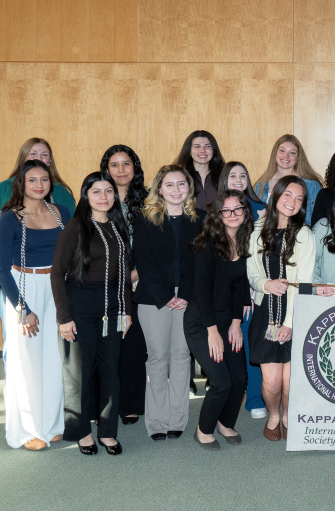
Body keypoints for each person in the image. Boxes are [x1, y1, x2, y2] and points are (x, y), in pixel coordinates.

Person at [51, 172, 132, 456]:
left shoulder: (118, 227)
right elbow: (57, 273)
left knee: (111, 372)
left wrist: (126, 311)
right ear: (86, 195)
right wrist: (64, 317)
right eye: (96, 191)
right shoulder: (76, 227)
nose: (104, 197)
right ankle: (82, 430)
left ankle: (108, 431)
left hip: (112, 310)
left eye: (109, 191)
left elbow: (123, 276)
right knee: (79, 375)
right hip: (79, 308)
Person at [0, 159, 70, 450]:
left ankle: (51, 424)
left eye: (44, 180)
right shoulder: (10, 218)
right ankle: (25, 431)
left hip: (55, 287)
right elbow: (2, 270)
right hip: (22, 286)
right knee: (24, 361)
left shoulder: (60, 212)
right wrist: (22, 310)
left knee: (53, 357)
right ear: (21, 184)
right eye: (32, 180)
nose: (39, 185)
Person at [133, 165, 204, 441]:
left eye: (181, 184)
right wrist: (166, 296)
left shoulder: (200, 218)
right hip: (154, 297)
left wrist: (185, 293)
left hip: (188, 295)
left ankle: (177, 419)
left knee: (181, 356)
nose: (176, 189)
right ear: (159, 189)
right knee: (158, 357)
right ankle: (156, 421)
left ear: (189, 188)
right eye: (169, 184)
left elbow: (200, 259)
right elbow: (144, 263)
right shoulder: (145, 218)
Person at [247, 175, 316, 440]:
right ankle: (273, 414)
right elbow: (251, 269)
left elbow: (304, 282)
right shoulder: (257, 229)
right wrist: (265, 284)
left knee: (289, 382)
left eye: (299, 198)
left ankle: (288, 416)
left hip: (293, 315)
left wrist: (290, 322)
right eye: (288, 195)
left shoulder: (303, 234)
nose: (292, 202)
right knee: (272, 381)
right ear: (275, 195)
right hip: (265, 315)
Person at [185, 190, 254, 449]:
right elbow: (201, 292)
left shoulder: (245, 242)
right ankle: (203, 430)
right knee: (221, 382)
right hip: (202, 321)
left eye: (238, 209)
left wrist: (236, 323)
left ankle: (225, 423)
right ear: (218, 214)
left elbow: (239, 288)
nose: (233, 214)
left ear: (245, 212)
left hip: (228, 320)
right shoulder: (207, 245)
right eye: (227, 210)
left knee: (239, 378)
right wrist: (212, 331)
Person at [100, 144, 149, 425]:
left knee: (133, 345)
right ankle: (105, 402)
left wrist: (135, 273)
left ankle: (130, 402)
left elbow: (155, 242)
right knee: (106, 345)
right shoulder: (98, 196)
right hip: (105, 281)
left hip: (138, 280)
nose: (121, 170)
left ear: (135, 167)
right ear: (106, 168)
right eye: (114, 164)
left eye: (126, 163)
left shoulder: (147, 200)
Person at [217, 161, 267, 419]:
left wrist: (248, 292)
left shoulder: (263, 211)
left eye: (243, 175)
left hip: (253, 293)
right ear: (224, 180)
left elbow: (260, 259)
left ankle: (255, 398)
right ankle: (233, 394)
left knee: (252, 348)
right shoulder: (217, 212)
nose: (238, 179)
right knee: (231, 351)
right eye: (233, 175)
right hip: (223, 297)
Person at [0, 138, 76, 216]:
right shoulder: (3, 188)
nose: (38, 158)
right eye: (33, 154)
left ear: (50, 160)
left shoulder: (61, 191)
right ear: (23, 157)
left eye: (44, 155)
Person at [253, 135, 323, 226]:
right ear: (275, 153)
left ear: (298, 158)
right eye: (282, 151)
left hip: (301, 238)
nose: (286, 156)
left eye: (292, 153)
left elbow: (319, 223)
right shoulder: (261, 186)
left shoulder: (312, 186)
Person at [174, 130, 227, 210]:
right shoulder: (178, 177)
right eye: (197, 146)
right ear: (189, 150)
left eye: (207, 146)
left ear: (213, 150)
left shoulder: (225, 176)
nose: (202, 150)